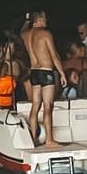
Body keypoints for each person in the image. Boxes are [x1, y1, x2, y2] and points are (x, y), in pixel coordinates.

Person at [20, 10, 64, 146]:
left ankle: (33, 138)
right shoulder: (45, 34)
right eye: (44, 18)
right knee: (47, 106)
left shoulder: (25, 34)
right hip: (46, 72)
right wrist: (62, 73)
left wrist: (27, 20)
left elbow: (22, 30)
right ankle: (49, 140)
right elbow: (54, 56)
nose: (46, 21)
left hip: (34, 72)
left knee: (35, 105)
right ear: (38, 20)